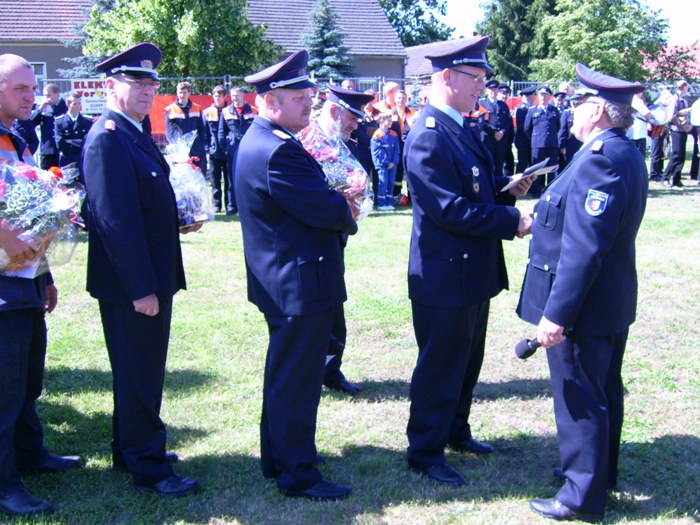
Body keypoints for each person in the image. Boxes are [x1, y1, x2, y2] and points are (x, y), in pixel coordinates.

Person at [517, 63, 648, 522]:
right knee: (602, 389)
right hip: (607, 298)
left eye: (578, 103)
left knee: (580, 396)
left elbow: (584, 248)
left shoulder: (600, 157)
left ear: (597, 111)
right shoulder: (619, 151)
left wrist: (557, 313)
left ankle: (580, 496)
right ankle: (598, 475)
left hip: (586, 304)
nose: (571, 111)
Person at [402, 37, 534, 487]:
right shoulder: (428, 133)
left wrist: (504, 187)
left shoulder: (456, 125)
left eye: (482, 79)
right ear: (446, 77)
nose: (482, 87)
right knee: (440, 365)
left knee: (466, 360)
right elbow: (449, 209)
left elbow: (471, 184)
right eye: (474, 78)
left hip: (469, 271)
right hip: (444, 274)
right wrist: (511, 220)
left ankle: (456, 430)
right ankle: (425, 451)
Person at [235, 50, 357, 501]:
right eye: (299, 98)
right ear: (270, 102)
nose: (309, 104)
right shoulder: (277, 149)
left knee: (286, 376)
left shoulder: (268, 139)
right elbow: (324, 208)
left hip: (289, 279)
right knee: (297, 382)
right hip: (297, 283)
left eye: (309, 96)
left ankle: (279, 457)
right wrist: (346, 203)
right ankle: (297, 472)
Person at [81, 42, 200, 497]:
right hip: (132, 285)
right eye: (137, 82)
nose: (148, 90)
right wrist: (140, 289)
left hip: (148, 276)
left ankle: (128, 448)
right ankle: (148, 466)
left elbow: (143, 202)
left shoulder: (132, 131)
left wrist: (178, 217)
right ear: (112, 86)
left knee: (139, 371)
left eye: (152, 82)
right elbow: (115, 222)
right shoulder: (108, 137)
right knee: (139, 373)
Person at [0, 53, 81, 517]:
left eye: (33, 88)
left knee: (28, 378)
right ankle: (4, 483)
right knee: (4, 386)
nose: (31, 96)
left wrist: (44, 275)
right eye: (20, 89)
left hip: (24, 283)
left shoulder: (17, 137)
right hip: (2, 288)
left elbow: (33, 207)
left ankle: (30, 454)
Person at [301, 85, 374, 395]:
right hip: (310, 237)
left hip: (334, 233)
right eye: (352, 118)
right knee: (316, 309)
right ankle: (314, 371)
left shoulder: (333, 139)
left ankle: (330, 369)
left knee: (333, 303)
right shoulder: (309, 138)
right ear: (333, 111)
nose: (356, 125)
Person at [218, 85, 257, 215]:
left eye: (237, 95)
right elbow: (221, 132)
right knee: (231, 180)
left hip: (249, 151)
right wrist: (225, 148)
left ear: (243, 95)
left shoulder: (254, 110)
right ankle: (231, 207)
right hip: (232, 151)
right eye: (232, 95)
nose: (234, 98)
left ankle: (247, 206)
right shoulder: (225, 111)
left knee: (249, 179)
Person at [524, 86, 560, 196]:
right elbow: (527, 128)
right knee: (537, 168)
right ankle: (535, 190)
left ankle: (550, 190)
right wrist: (535, 138)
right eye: (541, 95)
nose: (543, 97)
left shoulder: (554, 110)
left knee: (551, 168)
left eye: (545, 95)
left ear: (549, 97)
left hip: (552, 143)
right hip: (538, 143)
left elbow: (557, 126)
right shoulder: (532, 110)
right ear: (538, 96)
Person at [165, 81, 207, 174]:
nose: (182, 95)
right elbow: (169, 132)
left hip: (196, 148)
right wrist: (176, 148)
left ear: (189, 93)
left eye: (184, 92)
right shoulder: (170, 109)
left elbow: (201, 129)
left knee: (198, 175)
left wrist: (201, 145)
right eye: (180, 92)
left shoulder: (197, 108)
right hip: (179, 150)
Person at [662, 80, 693, 188]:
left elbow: (685, 114)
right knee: (676, 154)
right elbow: (672, 116)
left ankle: (677, 179)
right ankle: (665, 178)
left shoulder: (683, 99)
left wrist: (689, 124)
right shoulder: (675, 98)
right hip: (676, 130)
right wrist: (682, 126)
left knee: (681, 156)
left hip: (683, 130)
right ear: (684, 87)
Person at [202, 85, 228, 212]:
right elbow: (204, 132)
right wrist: (208, 148)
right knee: (215, 180)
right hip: (214, 151)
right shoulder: (207, 112)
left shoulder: (230, 111)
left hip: (228, 152)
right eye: (215, 96)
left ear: (224, 96)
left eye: (219, 96)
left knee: (229, 181)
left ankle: (230, 206)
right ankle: (217, 205)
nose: (217, 98)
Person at [481, 79, 513, 178]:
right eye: (491, 90)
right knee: (488, 166)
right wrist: (494, 132)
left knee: (499, 166)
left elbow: (508, 121)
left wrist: (502, 132)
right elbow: (482, 122)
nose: (493, 92)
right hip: (488, 140)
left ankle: (499, 186)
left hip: (501, 140)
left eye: (495, 89)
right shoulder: (482, 104)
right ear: (487, 90)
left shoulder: (503, 105)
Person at [31, 83, 67, 169]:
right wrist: (40, 109)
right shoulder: (42, 107)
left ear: (57, 95)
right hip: (46, 149)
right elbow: (31, 123)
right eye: (44, 96)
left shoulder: (65, 106)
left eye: (48, 95)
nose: (46, 98)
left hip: (62, 149)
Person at [54, 92, 93, 167]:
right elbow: (60, 144)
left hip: (82, 158)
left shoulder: (87, 121)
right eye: (75, 104)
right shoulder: (59, 121)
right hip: (67, 159)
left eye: (79, 103)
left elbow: (87, 142)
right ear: (67, 104)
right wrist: (78, 141)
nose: (78, 106)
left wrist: (69, 141)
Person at [372, 112, 400, 210]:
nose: (391, 122)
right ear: (382, 121)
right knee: (383, 182)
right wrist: (387, 163)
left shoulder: (394, 134)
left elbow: (397, 150)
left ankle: (389, 203)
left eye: (391, 120)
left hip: (393, 164)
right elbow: (377, 151)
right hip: (382, 164)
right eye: (389, 120)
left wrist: (394, 162)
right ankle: (381, 204)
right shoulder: (377, 135)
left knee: (391, 182)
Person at [514, 85, 536, 174]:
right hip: (524, 142)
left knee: (532, 165)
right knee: (522, 165)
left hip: (530, 141)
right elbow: (524, 127)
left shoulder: (532, 107)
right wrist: (532, 138)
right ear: (529, 96)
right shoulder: (521, 109)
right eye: (533, 94)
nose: (535, 96)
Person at [498, 84, 516, 175]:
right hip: (497, 140)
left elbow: (509, 123)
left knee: (509, 163)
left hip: (507, 140)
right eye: (503, 93)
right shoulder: (494, 105)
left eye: (506, 94)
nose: (504, 96)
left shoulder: (505, 106)